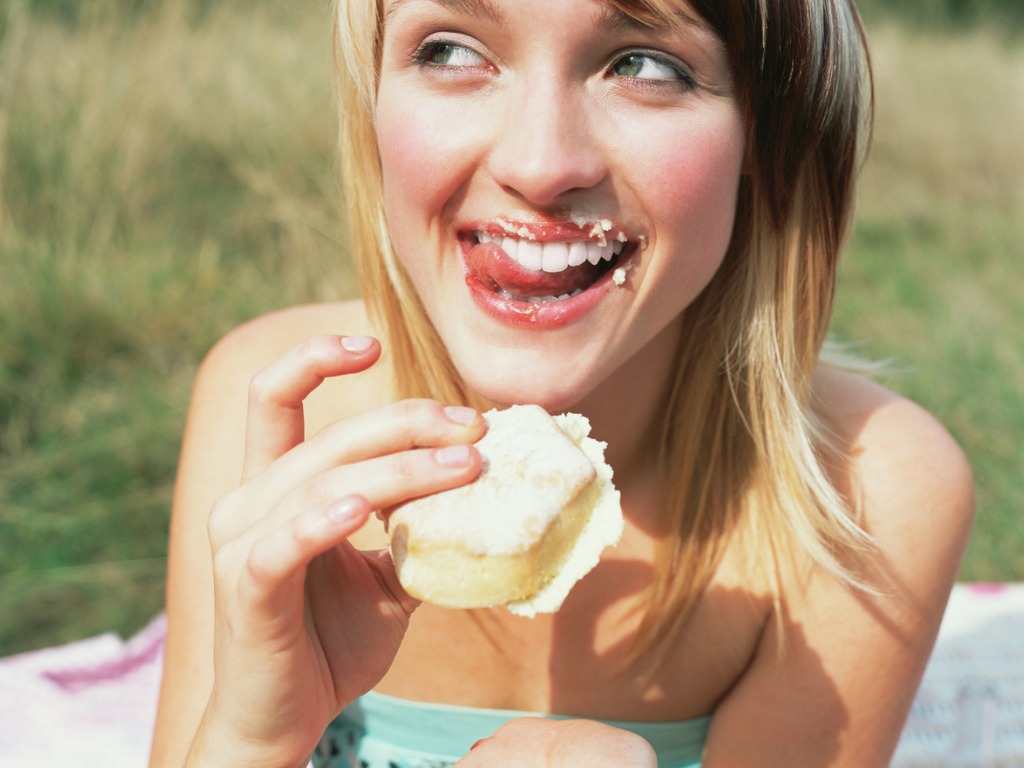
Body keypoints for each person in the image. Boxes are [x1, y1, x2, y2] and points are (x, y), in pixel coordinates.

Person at [148, 0, 975, 765]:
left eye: (647, 66)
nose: (540, 164)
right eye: (450, 50)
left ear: (771, 131)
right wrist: (252, 740)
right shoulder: (279, 414)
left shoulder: (867, 497)